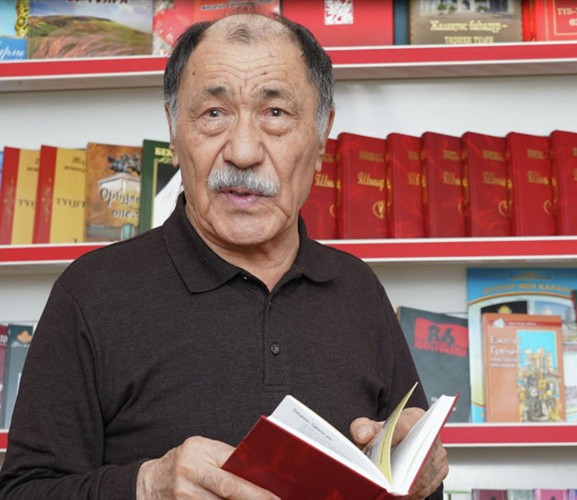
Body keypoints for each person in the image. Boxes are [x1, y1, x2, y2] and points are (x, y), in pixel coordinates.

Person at [0, 11, 448, 500]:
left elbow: (409, 481)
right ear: (174, 132)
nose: (243, 151)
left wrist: (422, 480)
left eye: (275, 114)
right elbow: (24, 491)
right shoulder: (90, 292)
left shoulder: (358, 289)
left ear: (321, 137)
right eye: (214, 114)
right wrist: (146, 486)